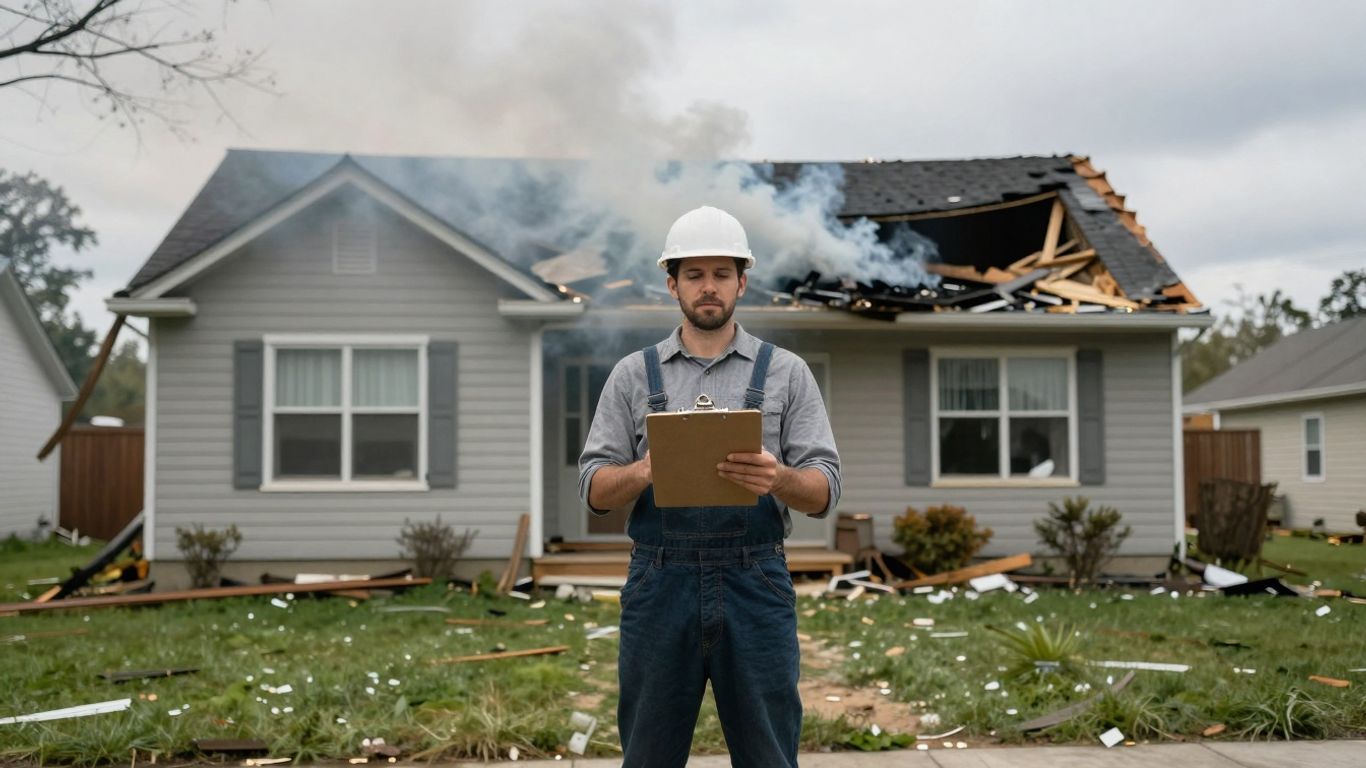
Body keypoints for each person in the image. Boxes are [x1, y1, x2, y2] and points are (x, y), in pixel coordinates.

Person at [578, 205, 842, 767]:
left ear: (742, 281)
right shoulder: (632, 374)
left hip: (756, 581)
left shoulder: (786, 372)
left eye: (722, 274)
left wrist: (778, 478)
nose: (709, 287)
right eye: (694, 275)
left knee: (769, 754)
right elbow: (595, 491)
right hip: (659, 581)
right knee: (649, 754)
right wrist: (648, 468)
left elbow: (823, 491)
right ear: (671, 283)